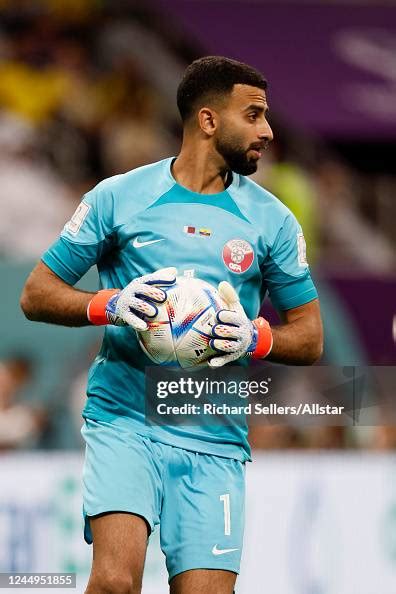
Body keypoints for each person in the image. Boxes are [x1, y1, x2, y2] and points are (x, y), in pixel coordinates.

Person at [20, 56, 323, 594]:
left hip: (215, 439)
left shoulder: (273, 220)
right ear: (208, 121)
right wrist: (109, 305)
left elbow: (311, 337)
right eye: (253, 115)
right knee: (114, 581)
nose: (268, 130)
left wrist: (256, 336)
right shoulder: (118, 198)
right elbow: (36, 294)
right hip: (125, 420)